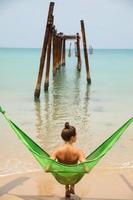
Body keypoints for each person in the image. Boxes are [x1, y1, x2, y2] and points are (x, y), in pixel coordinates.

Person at [51, 122, 86, 198]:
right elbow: (86, 166)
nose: (77, 136)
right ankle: (72, 187)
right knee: (74, 168)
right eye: (76, 134)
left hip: (63, 177)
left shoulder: (56, 151)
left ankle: (67, 188)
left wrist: (49, 168)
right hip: (74, 177)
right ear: (72, 137)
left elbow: (49, 165)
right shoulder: (78, 152)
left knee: (65, 168)